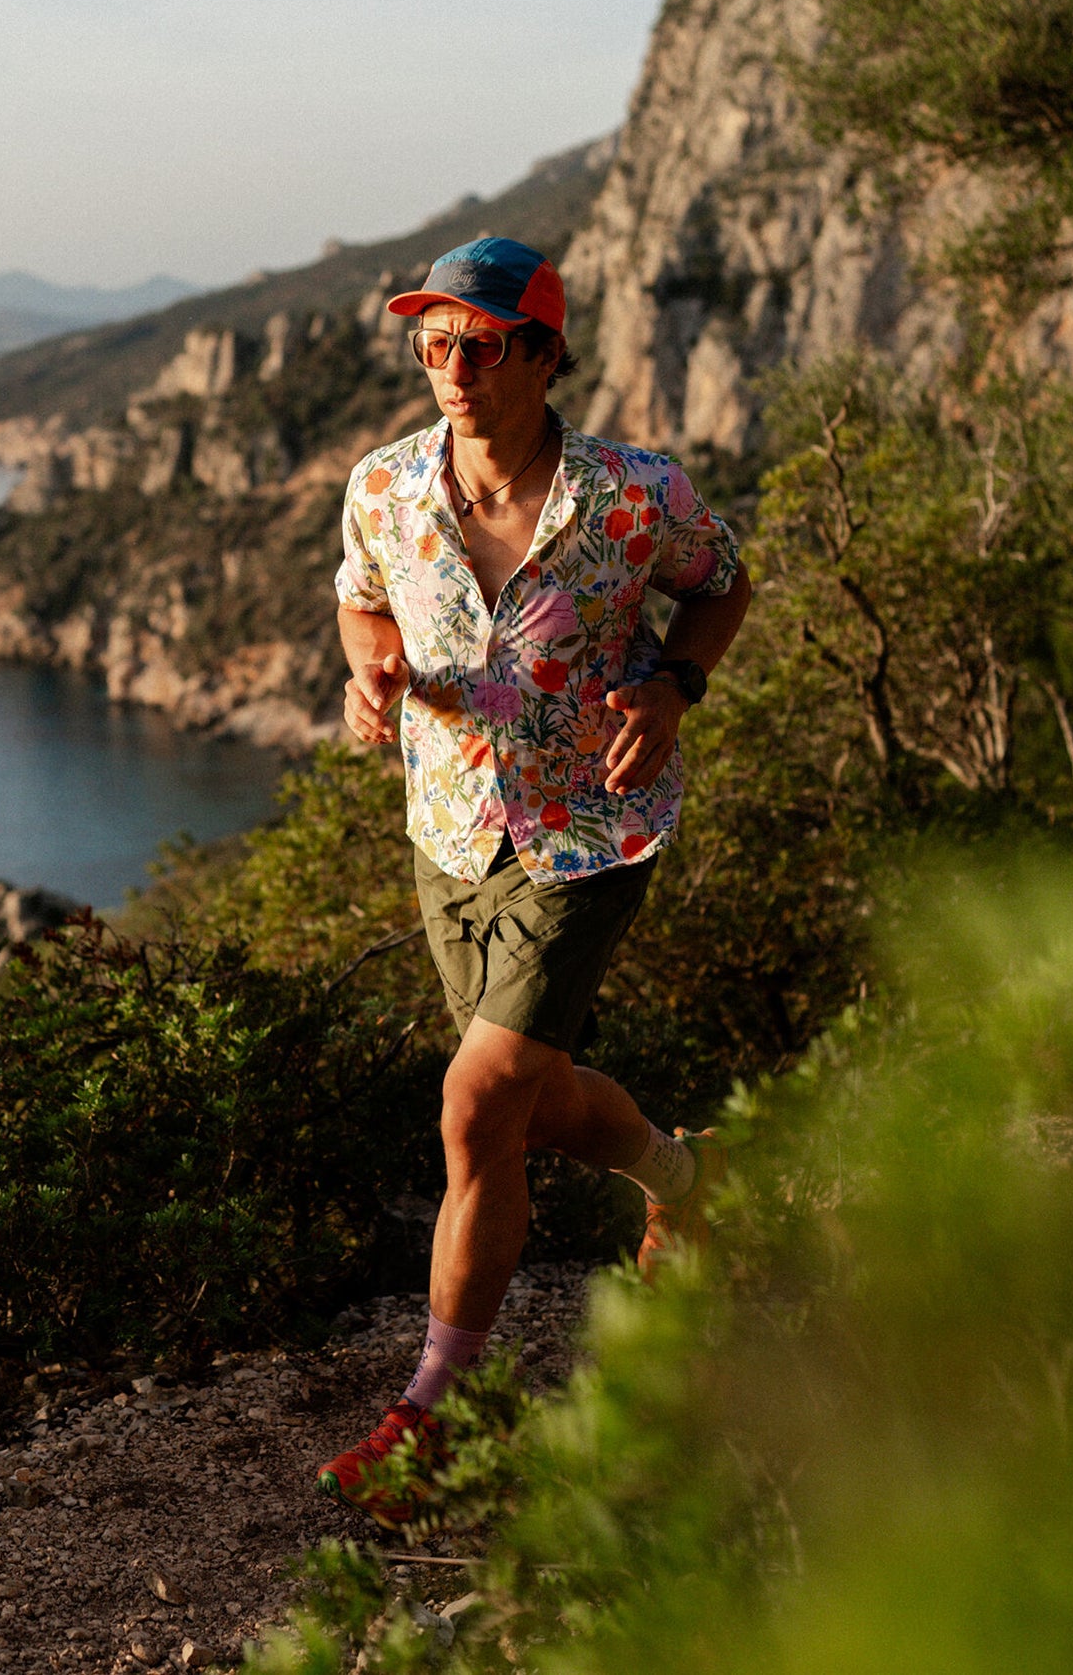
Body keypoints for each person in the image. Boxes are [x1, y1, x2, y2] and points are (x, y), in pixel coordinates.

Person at [316, 236, 752, 1525]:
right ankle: (690, 1184)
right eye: (431, 343)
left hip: (594, 833)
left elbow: (721, 587)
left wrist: (676, 686)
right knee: (526, 1099)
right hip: (450, 832)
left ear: (547, 355)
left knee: (474, 1102)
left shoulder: (632, 497)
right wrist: (371, 673)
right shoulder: (385, 486)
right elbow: (360, 601)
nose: (450, 367)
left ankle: (434, 1415)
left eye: (481, 343)